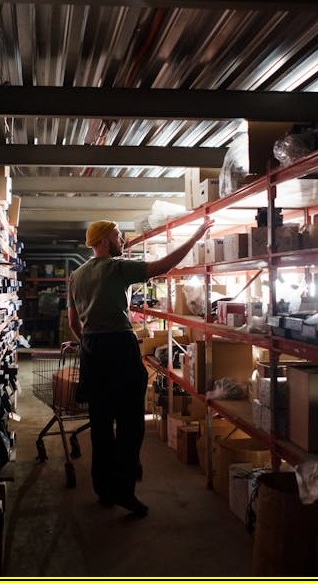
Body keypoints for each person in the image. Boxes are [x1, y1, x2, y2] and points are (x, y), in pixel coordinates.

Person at [67, 217, 213, 517]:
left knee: (101, 424)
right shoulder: (117, 268)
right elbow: (164, 265)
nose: (122, 240)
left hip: (92, 350)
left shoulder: (76, 276)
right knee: (131, 423)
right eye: (118, 235)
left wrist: (88, 344)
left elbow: (73, 323)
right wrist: (196, 236)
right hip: (119, 347)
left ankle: (104, 489)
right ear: (105, 240)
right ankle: (124, 489)